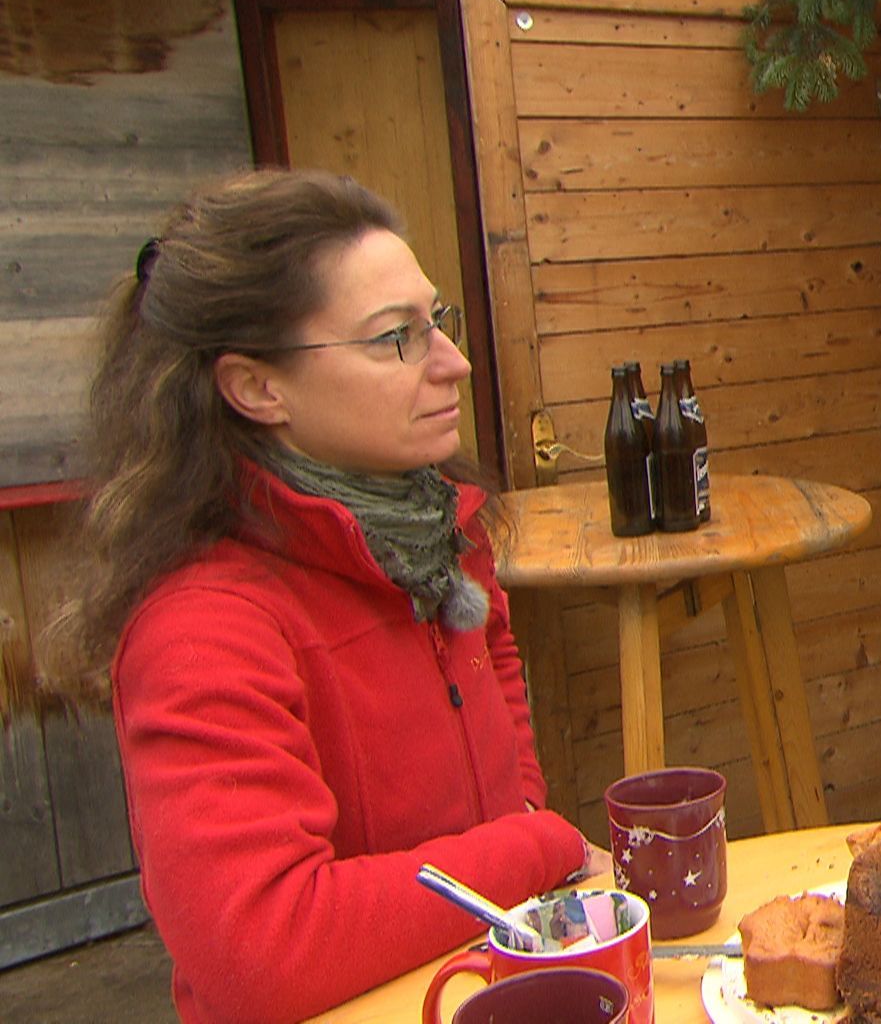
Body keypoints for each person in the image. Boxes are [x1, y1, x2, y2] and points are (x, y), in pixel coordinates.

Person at [41, 170, 610, 1023]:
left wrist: (523, 819)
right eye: (395, 340)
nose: (453, 363)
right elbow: (263, 951)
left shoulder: (435, 530)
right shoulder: (203, 628)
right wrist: (536, 846)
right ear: (257, 388)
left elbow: (497, 671)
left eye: (437, 323)